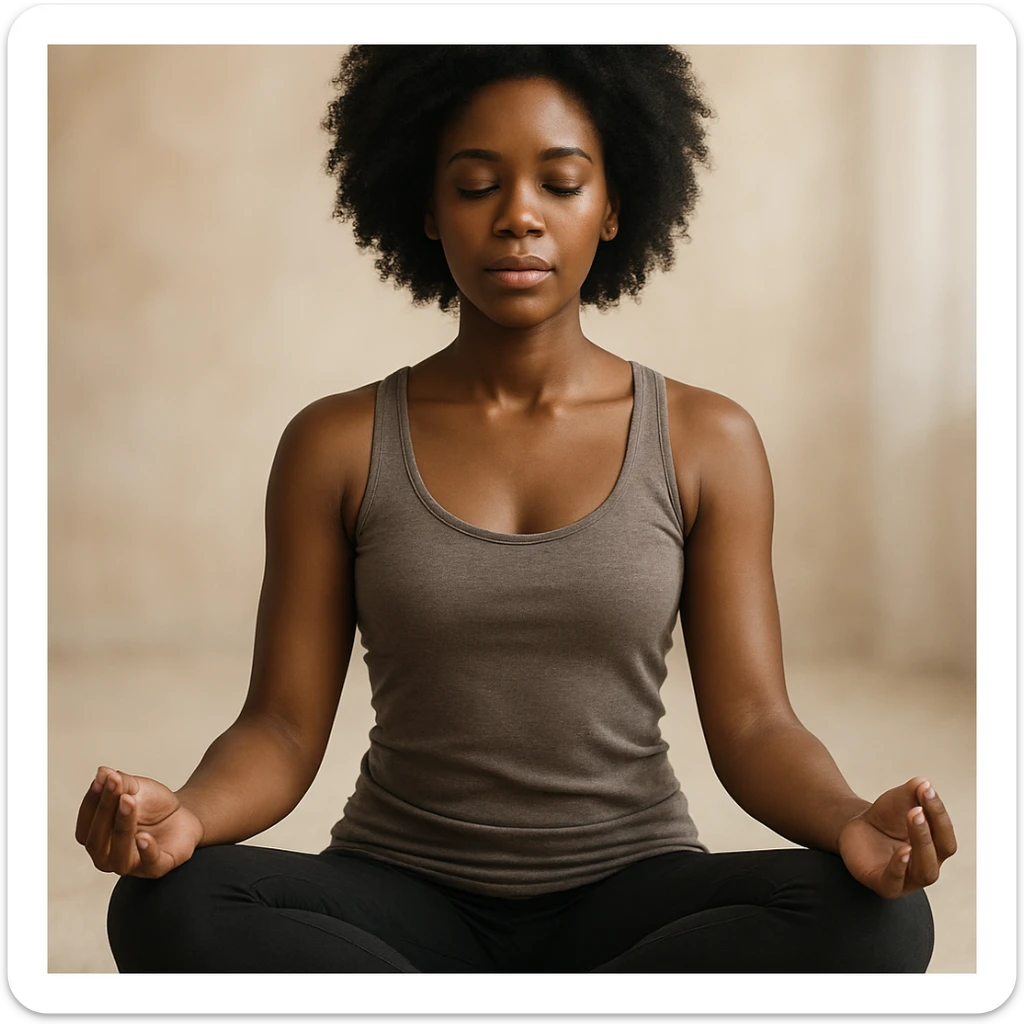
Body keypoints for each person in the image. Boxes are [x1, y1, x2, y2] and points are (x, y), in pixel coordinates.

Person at [78, 45, 955, 974]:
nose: (519, 218)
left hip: (632, 890)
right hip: (398, 891)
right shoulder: (333, 444)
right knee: (168, 909)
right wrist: (190, 815)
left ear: (615, 206)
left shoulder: (707, 439)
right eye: (476, 186)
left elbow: (755, 725)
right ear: (424, 208)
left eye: (561, 182)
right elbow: (284, 728)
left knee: (881, 922)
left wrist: (855, 822)